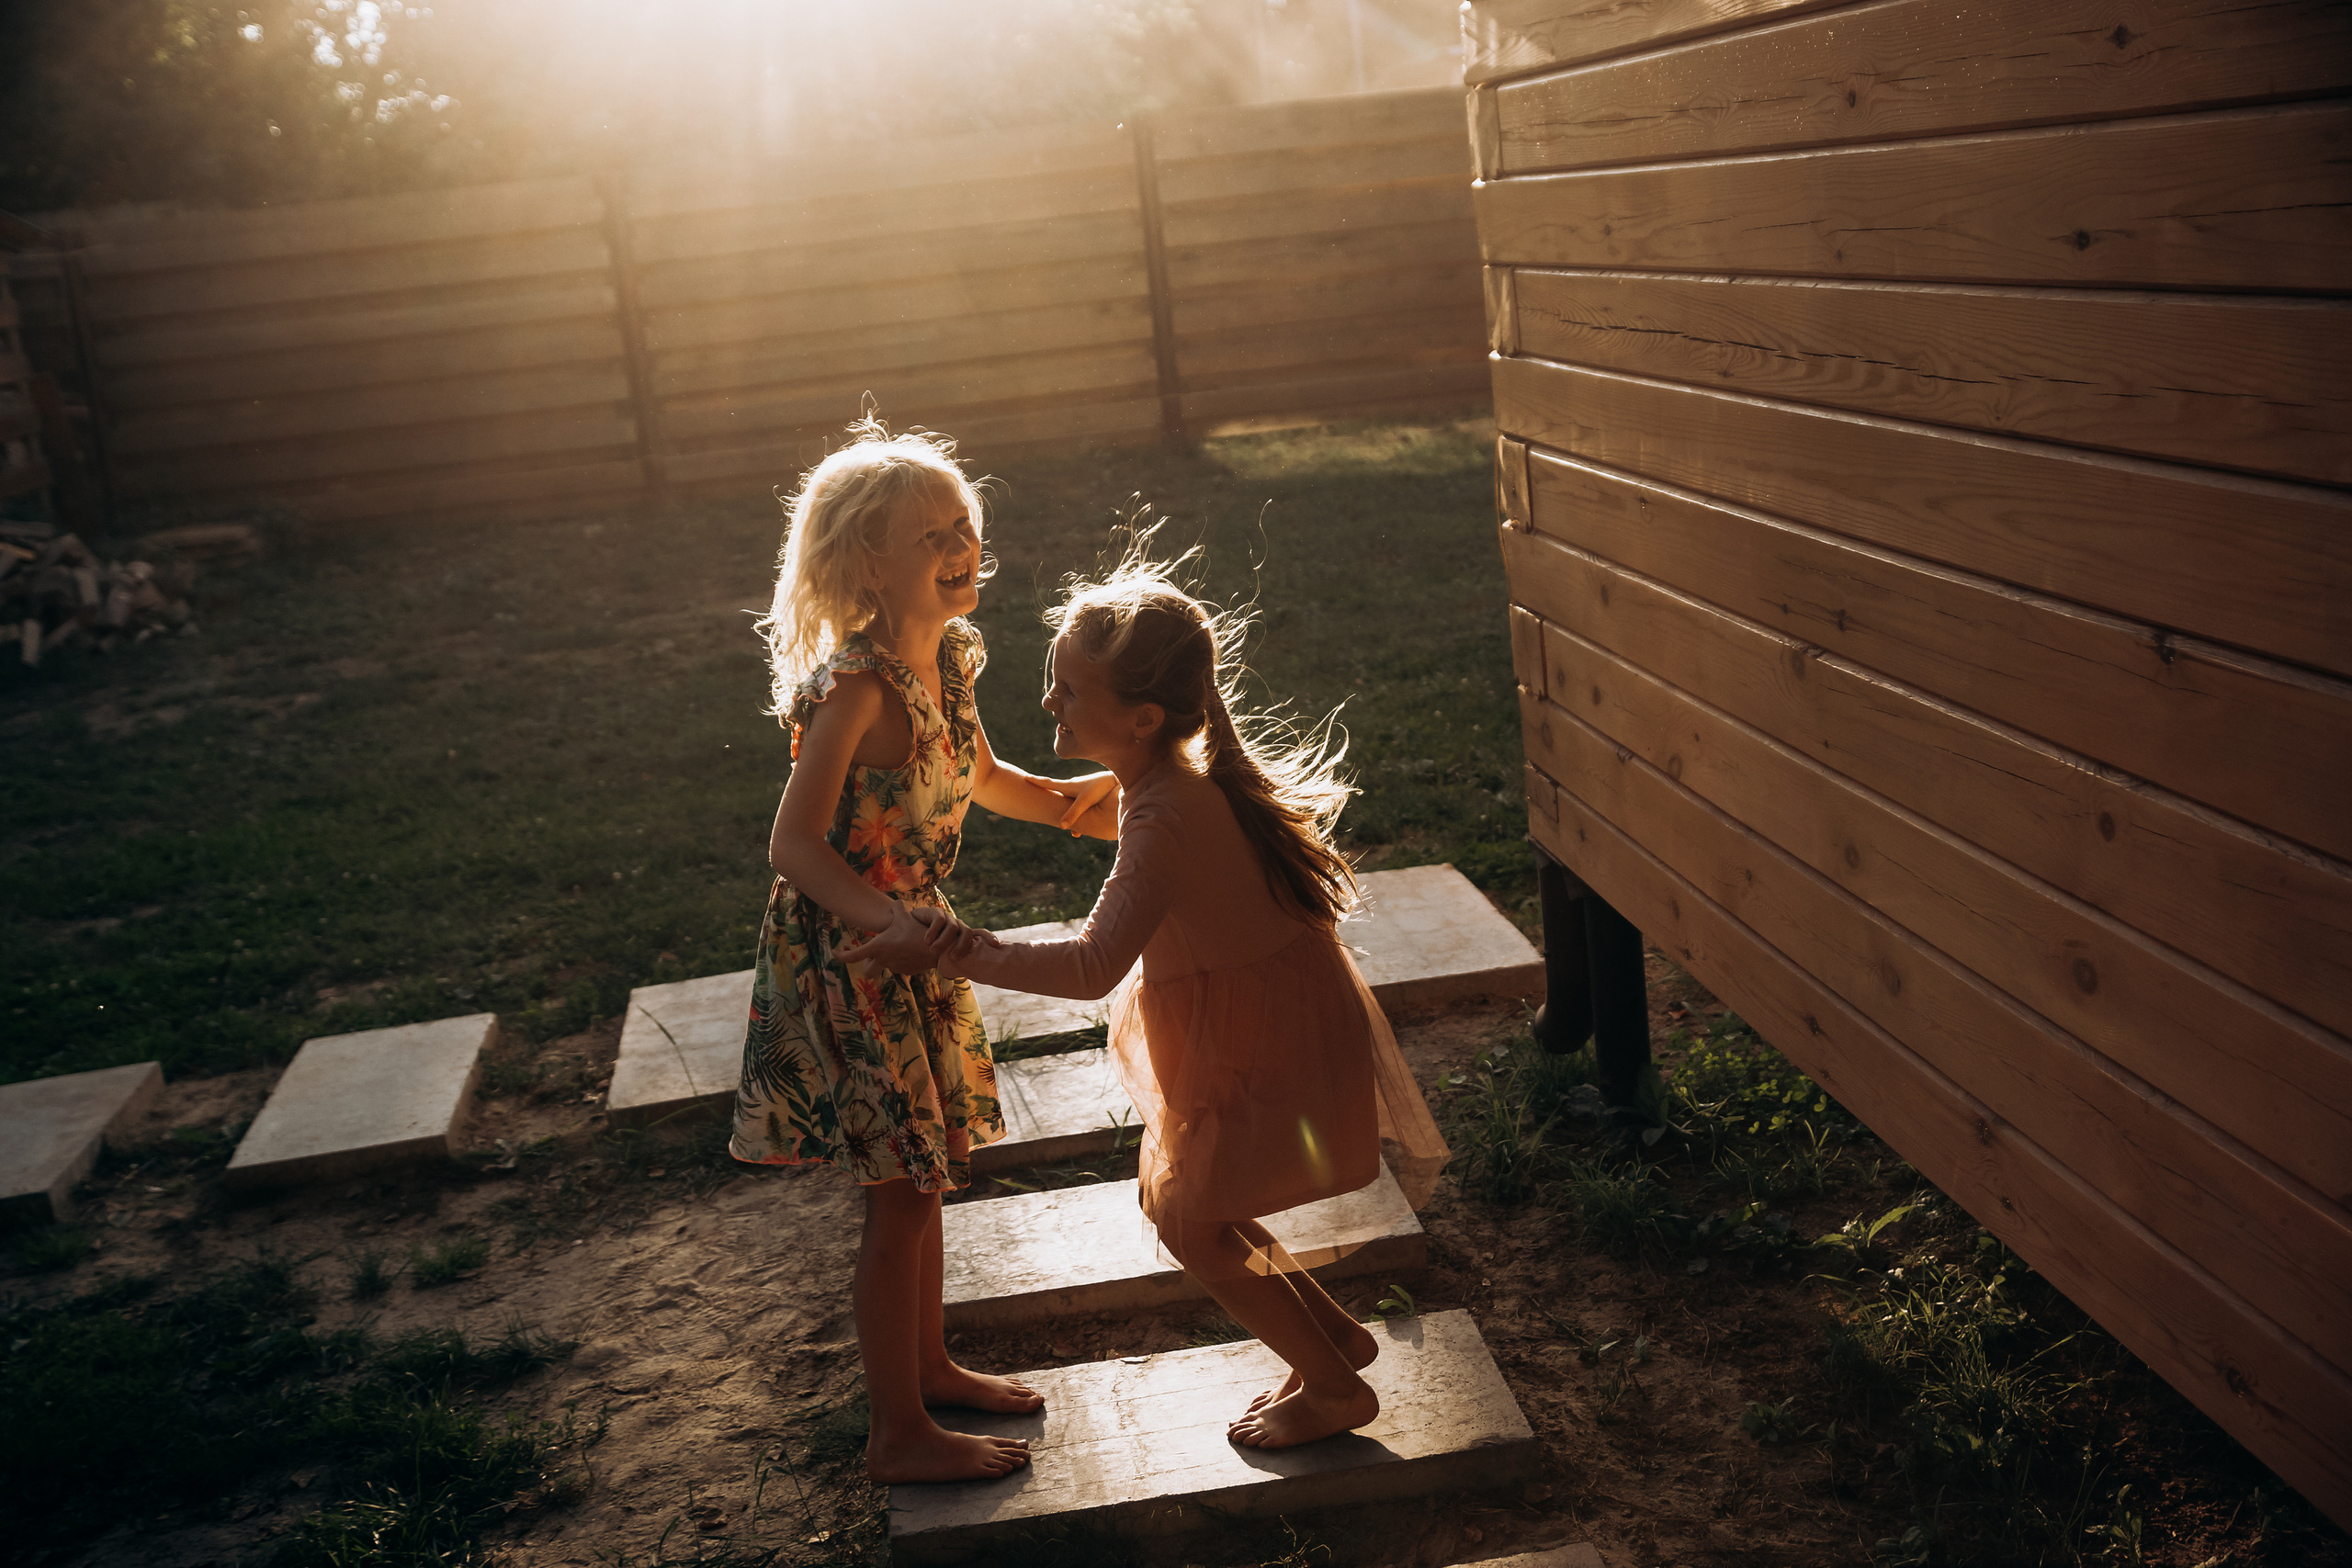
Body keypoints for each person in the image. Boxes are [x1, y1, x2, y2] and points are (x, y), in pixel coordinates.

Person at [892, 546, 1447, 1450]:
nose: (1049, 701)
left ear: (1141, 718)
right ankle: (1332, 1343)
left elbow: (1090, 967)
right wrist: (948, 692)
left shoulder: (1164, 813)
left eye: (1068, 689)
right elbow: (1041, 796)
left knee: (1192, 1219)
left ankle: (1334, 1388)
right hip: (1262, 1027)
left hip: (1264, 1045)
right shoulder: (1170, 780)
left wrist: (951, 948)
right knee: (1189, 1207)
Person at [729, 416, 1118, 1483]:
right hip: (856, 960)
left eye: (964, 526)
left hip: (913, 940)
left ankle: (932, 1368)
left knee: (925, 1176)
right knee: (898, 1197)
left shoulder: (947, 660)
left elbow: (983, 778)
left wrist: (1092, 803)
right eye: (930, 537)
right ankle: (896, 1434)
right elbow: (793, 845)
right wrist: (888, 924)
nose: (959, 548)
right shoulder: (855, 688)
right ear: (866, 562)